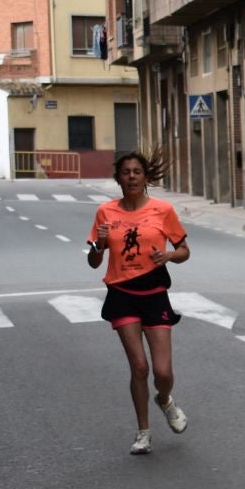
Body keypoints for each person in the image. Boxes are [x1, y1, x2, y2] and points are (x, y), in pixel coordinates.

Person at [86, 152, 191, 455]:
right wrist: (100, 243)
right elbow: (94, 261)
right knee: (140, 367)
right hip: (121, 294)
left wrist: (170, 255)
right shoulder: (105, 212)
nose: (131, 177)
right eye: (126, 172)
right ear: (118, 178)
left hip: (155, 292)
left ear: (146, 178)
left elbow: (184, 250)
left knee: (163, 372)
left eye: (137, 172)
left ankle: (165, 399)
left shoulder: (163, 210)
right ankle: (143, 432)